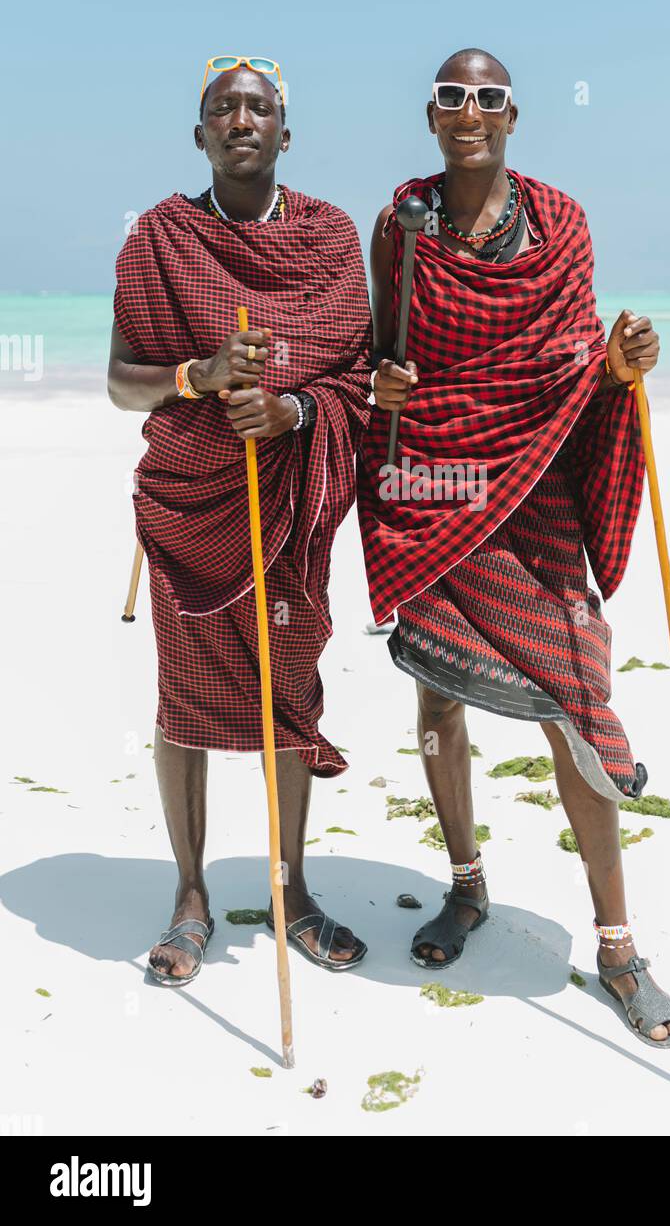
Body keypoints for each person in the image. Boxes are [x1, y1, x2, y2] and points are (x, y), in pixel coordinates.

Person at [357, 48, 670, 1046]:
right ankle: (465, 887)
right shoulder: (399, 223)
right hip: (434, 481)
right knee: (434, 697)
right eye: (451, 96)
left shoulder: (559, 223)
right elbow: (381, 349)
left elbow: (568, 360)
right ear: (429, 114)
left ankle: (618, 943)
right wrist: (383, 388)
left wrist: (618, 366)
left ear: (512, 115)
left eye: (487, 97)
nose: (469, 110)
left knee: (575, 696)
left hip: (534, 488)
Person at [108, 56, 371, 983]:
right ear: (202, 134)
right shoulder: (157, 240)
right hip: (190, 506)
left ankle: (291, 885)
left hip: (290, 506)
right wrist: (202, 376)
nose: (243, 118)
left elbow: (358, 379)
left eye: (260, 107)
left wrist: (295, 412)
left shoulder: (332, 238)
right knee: (184, 703)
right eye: (225, 107)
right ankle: (189, 891)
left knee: (286, 696)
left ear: (285, 135)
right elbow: (119, 382)